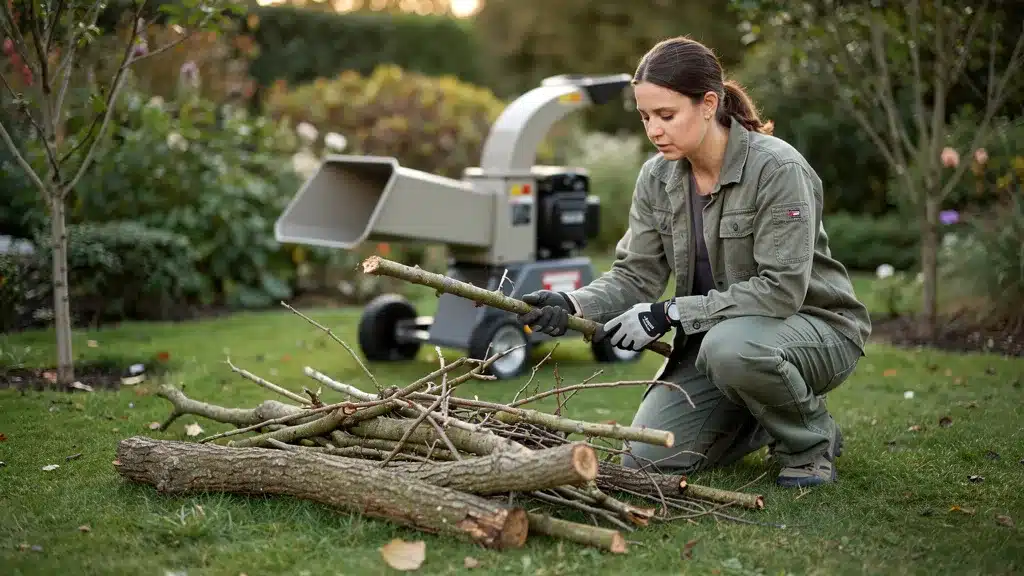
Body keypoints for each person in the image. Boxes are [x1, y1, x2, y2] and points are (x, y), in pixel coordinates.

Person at [516, 36, 872, 488]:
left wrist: (670, 312)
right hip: (716, 348)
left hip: (813, 329)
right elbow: (636, 273)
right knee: (646, 461)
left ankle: (809, 444)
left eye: (666, 115)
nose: (654, 130)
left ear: (708, 104)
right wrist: (572, 304)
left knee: (732, 348)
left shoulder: (778, 169)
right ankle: (761, 411)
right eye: (646, 117)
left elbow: (782, 290)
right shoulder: (657, 177)